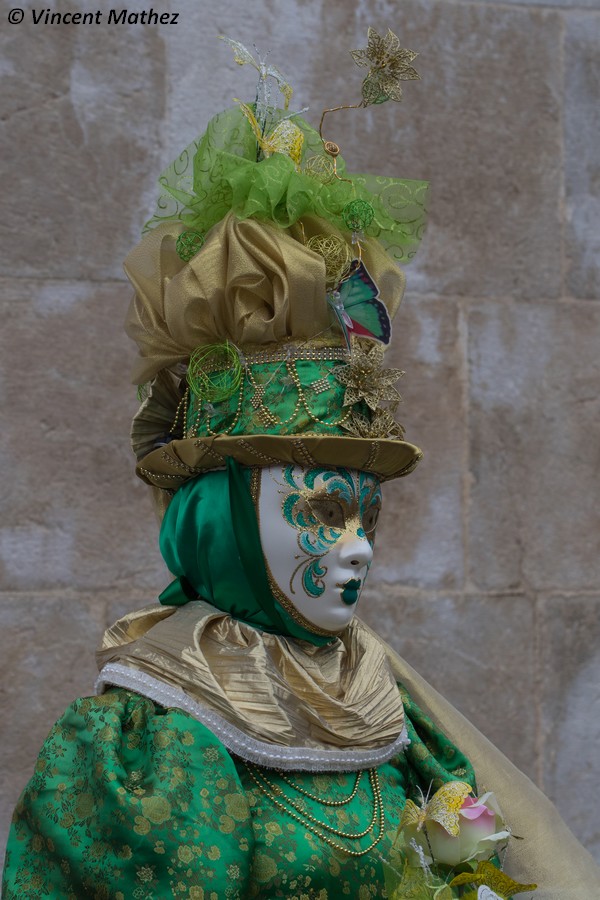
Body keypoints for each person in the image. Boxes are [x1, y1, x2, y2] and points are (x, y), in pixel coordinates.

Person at [3, 30, 600, 900]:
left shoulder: (384, 699)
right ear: (223, 522)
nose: (359, 549)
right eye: (323, 513)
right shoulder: (152, 739)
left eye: (370, 515)